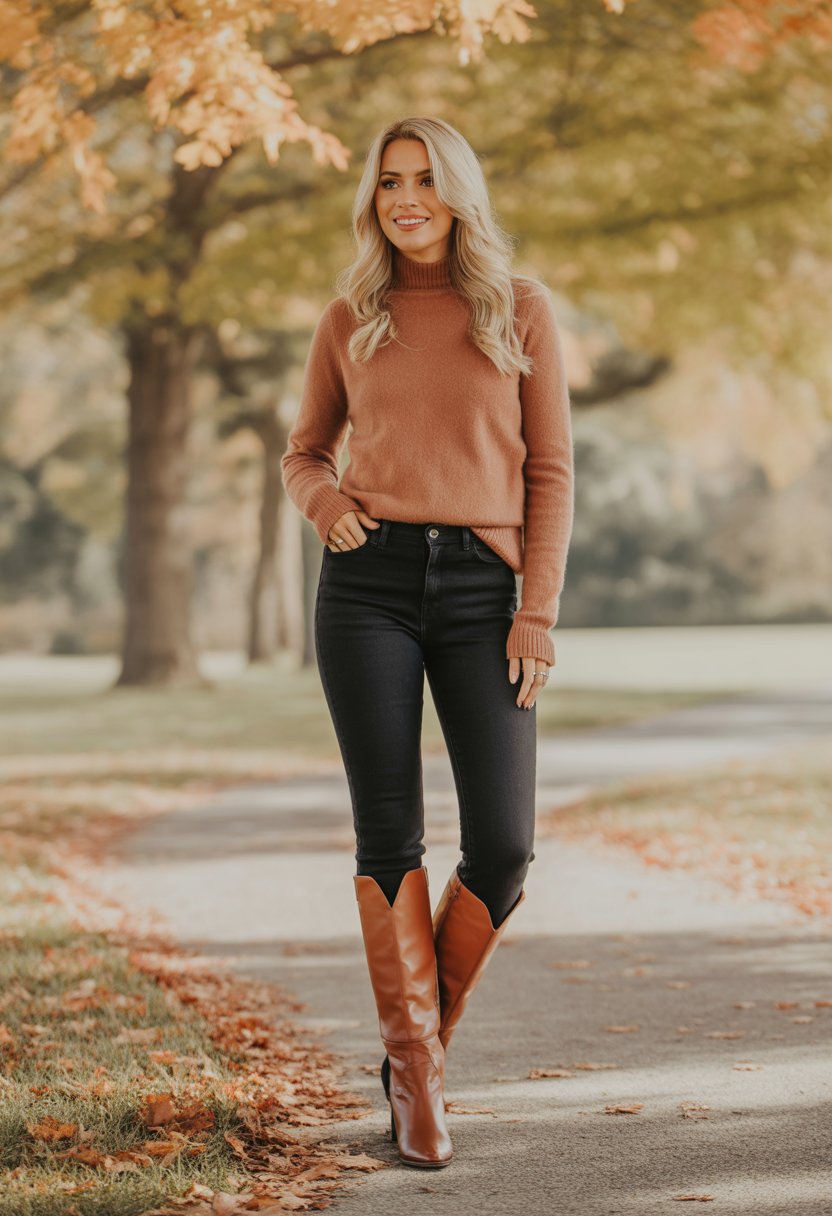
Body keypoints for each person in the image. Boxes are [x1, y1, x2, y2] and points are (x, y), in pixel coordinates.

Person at [280, 116, 574, 1169]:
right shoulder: (350, 317)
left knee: (503, 843)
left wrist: (535, 610)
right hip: (368, 588)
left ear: (458, 192)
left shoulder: (518, 308)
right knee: (388, 832)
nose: (406, 198)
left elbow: (550, 471)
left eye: (424, 180)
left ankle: (415, 1050)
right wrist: (326, 507)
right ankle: (416, 1074)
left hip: (485, 593)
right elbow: (304, 452)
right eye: (389, 181)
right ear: (373, 197)